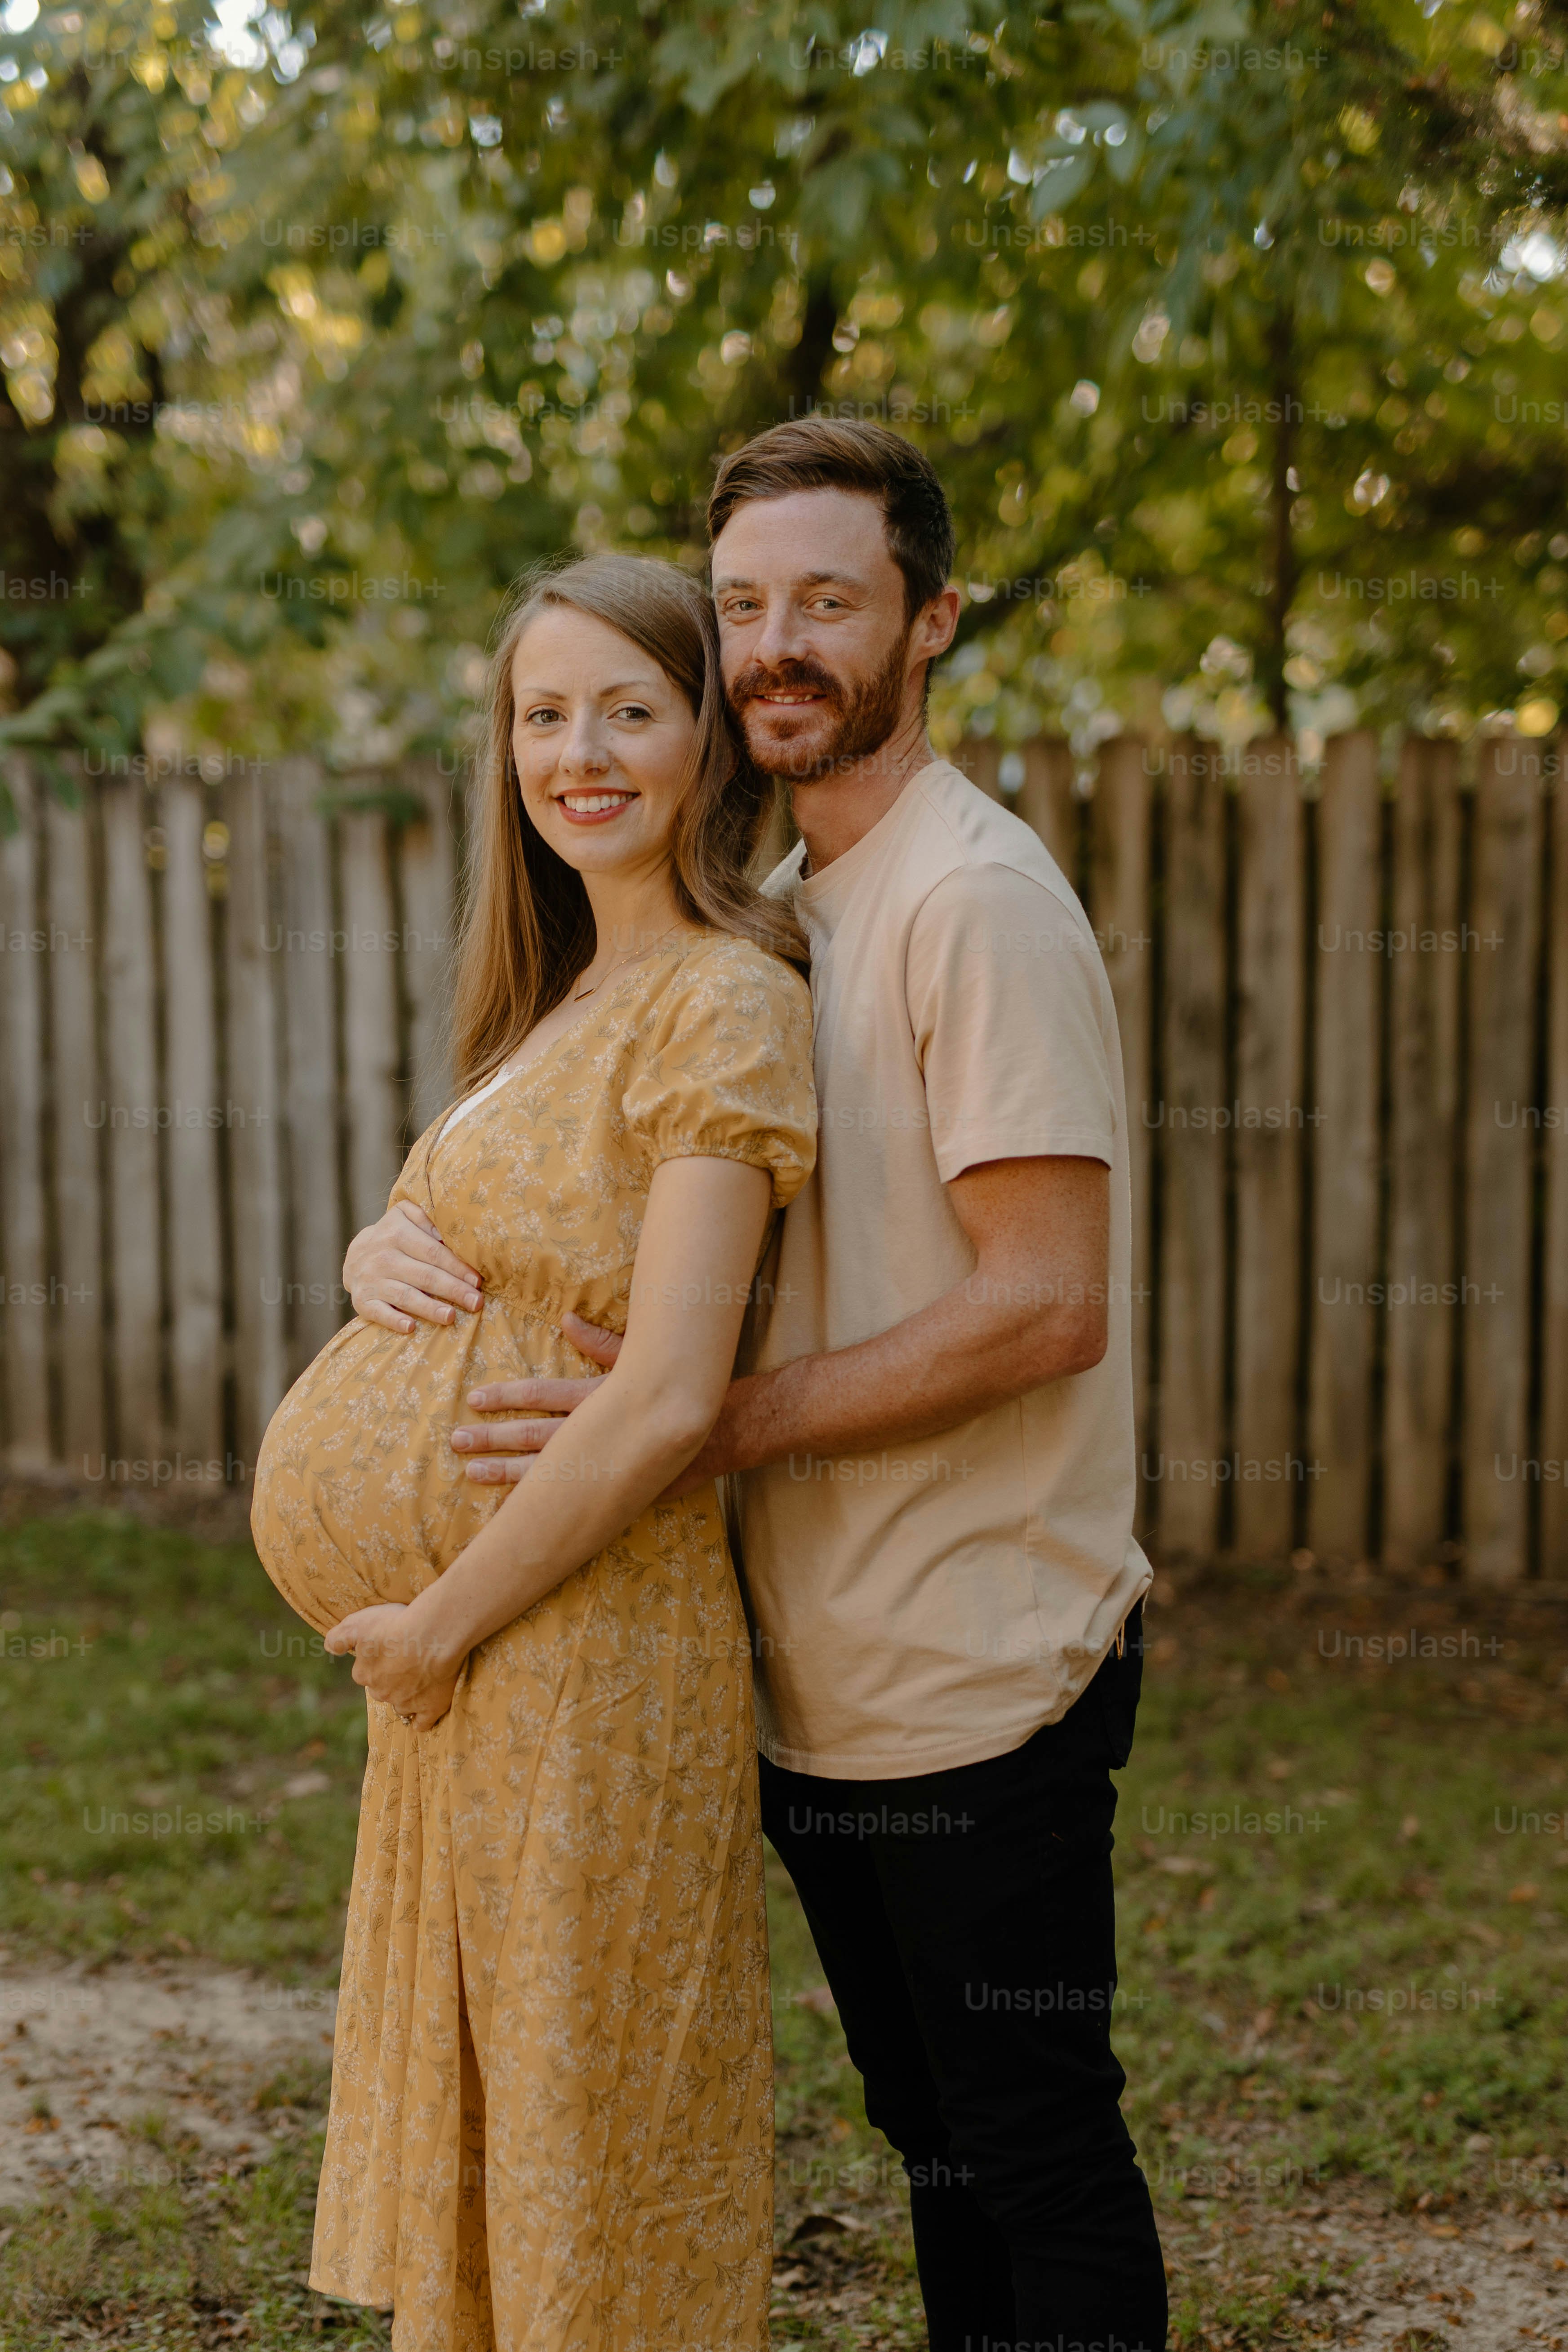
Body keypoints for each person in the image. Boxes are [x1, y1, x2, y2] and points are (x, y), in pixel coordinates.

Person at [349, 421, 1168, 2352]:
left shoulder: (975, 898)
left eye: (829, 599)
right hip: (812, 1665)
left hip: (978, 1661)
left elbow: (1047, 1306)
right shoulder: (790, 903)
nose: (778, 643)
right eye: (741, 608)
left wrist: (700, 1421)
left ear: (932, 618)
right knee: (938, 2142)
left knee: (1030, 2148)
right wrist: (387, 1248)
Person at [250, 551, 817, 2352]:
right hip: (478, 1668)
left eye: (629, 710)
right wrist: (375, 1250)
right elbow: (487, 1258)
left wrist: (436, 1621)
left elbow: (665, 1396)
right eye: (543, 713)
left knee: (594, 2146)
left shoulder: (722, 999)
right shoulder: (554, 1002)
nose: (581, 751)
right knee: (494, 2143)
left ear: (706, 738)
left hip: (577, 1647)